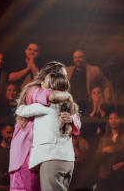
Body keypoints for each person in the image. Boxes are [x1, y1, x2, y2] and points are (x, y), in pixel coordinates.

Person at [9, 61, 80, 191]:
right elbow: (50, 96)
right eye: (62, 76)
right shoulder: (34, 91)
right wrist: (68, 96)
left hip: (45, 156)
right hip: (26, 155)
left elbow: (76, 117)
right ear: (49, 76)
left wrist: (71, 119)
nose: (65, 79)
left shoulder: (62, 100)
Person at [96, 112, 124, 191]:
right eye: (111, 119)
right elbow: (97, 158)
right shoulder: (103, 138)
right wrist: (103, 151)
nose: (113, 120)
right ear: (108, 122)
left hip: (119, 178)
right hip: (104, 176)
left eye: (116, 118)